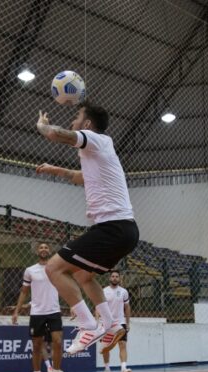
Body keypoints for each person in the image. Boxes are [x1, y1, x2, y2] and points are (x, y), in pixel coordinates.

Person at [34, 102, 139, 355]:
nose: (73, 121)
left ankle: (88, 324)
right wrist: (55, 170)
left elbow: (57, 134)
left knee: (53, 268)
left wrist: (42, 126)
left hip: (112, 228)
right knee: (82, 275)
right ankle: (112, 324)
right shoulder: (98, 154)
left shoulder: (95, 139)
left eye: (77, 117)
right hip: (124, 231)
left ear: (88, 124)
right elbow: (80, 177)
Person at [12, 242, 64, 372]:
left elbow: (65, 287)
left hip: (54, 311)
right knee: (36, 347)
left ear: (50, 251)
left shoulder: (55, 268)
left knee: (58, 342)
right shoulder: (30, 271)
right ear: (37, 251)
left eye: (46, 247)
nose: (43, 249)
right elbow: (24, 292)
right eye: (41, 247)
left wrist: (74, 305)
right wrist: (17, 310)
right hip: (37, 313)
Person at [101, 270, 132, 372]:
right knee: (106, 347)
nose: (114, 278)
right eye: (113, 276)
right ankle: (106, 368)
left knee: (122, 344)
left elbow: (127, 307)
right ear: (109, 278)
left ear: (119, 279)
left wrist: (128, 322)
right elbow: (98, 306)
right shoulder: (104, 291)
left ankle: (123, 369)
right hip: (107, 323)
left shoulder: (124, 292)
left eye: (116, 276)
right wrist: (97, 321)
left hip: (120, 323)